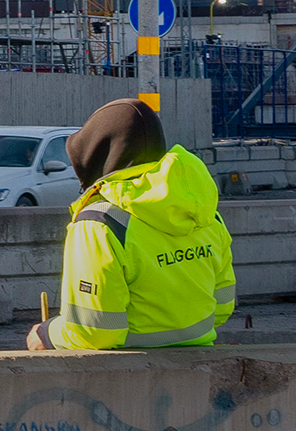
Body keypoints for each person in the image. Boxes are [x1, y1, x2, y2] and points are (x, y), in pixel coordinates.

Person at [29, 99, 237, 352]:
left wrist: (46, 334)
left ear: (97, 155)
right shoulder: (204, 211)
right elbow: (223, 305)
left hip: (124, 374)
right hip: (200, 362)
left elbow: (95, 332)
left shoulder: (100, 222)